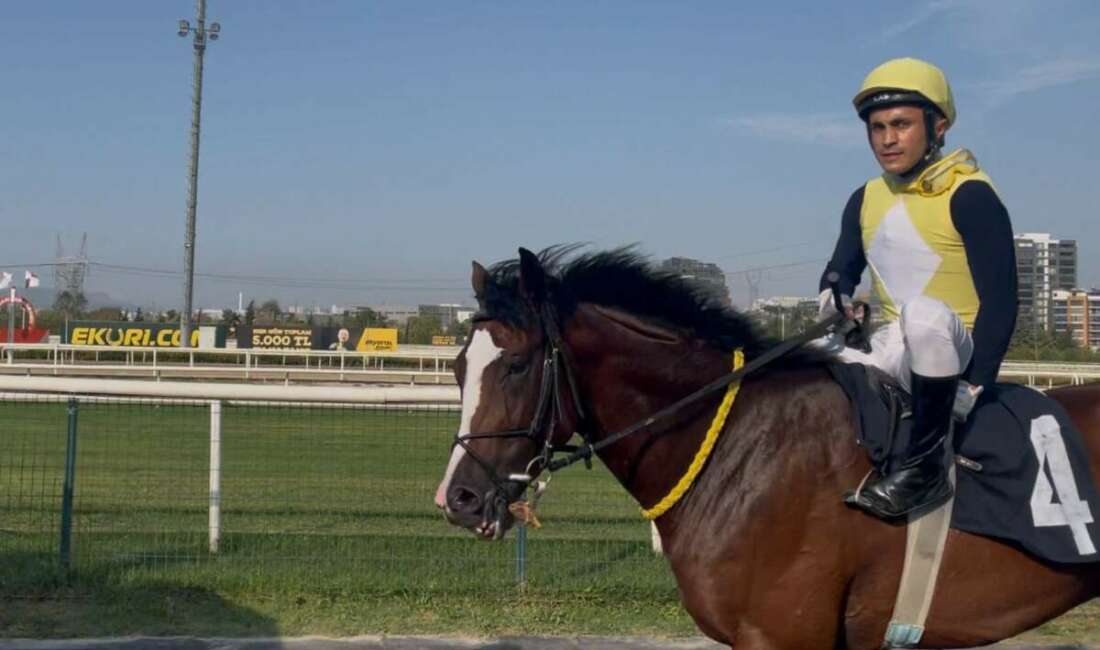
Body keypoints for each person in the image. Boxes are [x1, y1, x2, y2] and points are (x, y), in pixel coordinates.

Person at [818, 58, 1018, 519]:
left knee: (924, 314)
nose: (887, 139)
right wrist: (838, 304)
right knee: (800, 367)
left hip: (953, 347)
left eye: (902, 125)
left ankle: (926, 469)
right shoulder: (864, 197)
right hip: (894, 345)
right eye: (878, 127)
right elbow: (839, 271)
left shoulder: (972, 195)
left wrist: (976, 384)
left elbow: (1004, 300)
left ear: (938, 126)